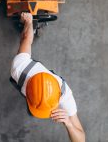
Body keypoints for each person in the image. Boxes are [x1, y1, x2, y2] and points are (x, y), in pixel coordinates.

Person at [10, 12, 86, 142]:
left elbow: (81, 139)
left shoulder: (65, 96)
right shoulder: (19, 69)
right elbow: (26, 39)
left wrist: (68, 123)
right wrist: (29, 22)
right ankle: (33, 107)